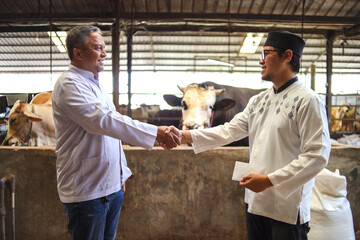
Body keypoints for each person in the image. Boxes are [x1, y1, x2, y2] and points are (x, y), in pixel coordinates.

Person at [180, 30, 331, 240]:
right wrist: (182, 136)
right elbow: (229, 131)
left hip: (285, 208)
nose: (260, 61)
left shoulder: (307, 101)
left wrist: (269, 180)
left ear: (287, 56)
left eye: (266, 53)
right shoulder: (259, 101)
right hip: (256, 202)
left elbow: (317, 156)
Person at [52, 25, 181, 240]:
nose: (104, 53)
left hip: (110, 188)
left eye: (104, 48)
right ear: (78, 53)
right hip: (87, 192)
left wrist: (120, 173)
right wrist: (155, 133)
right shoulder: (69, 84)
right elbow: (103, 122)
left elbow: (111, 133)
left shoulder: (96, 85)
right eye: (98, 48)